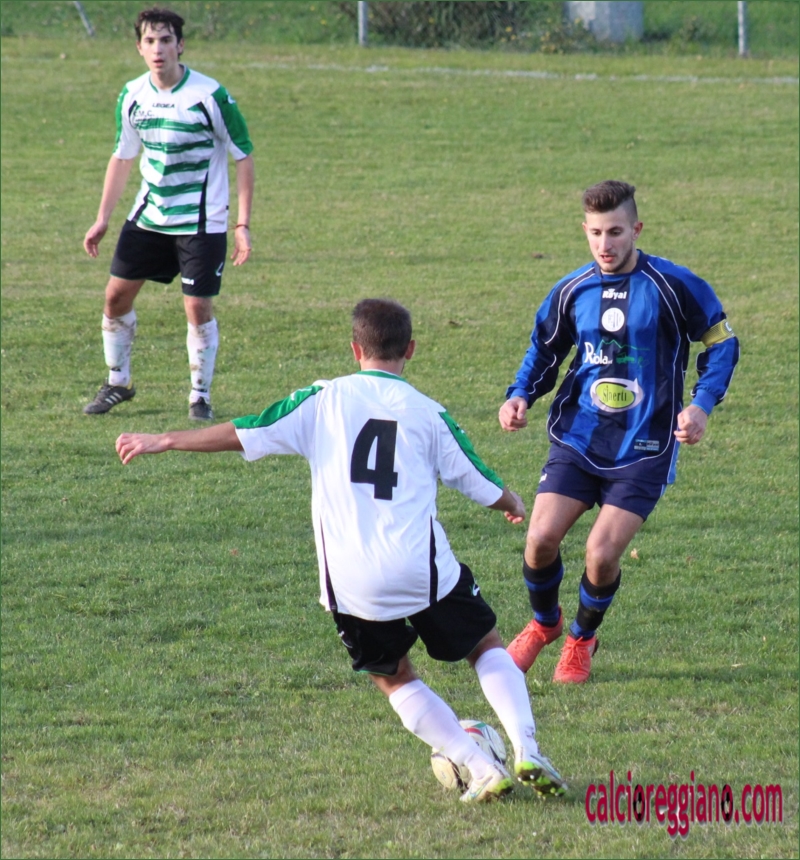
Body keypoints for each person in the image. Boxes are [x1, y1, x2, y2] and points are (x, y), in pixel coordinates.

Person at [116, 298, 567, 804]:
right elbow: (476, 477)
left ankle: (480, 766)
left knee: (393, 675)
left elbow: (244, 431)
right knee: (484, 646)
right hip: (422, 570)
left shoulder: (322, 400)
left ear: (355, 350)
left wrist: (166, 440)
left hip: (352, 583)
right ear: (410, 350)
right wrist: (511, 502)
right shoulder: (428, 412)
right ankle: (527, 748)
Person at [499, 180, 739, 684]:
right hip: (580, 436)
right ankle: (544, 624)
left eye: (614, 232)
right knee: (539, 540)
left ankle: (581, 640)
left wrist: (701, 405)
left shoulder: (674, 285)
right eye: (595, 233)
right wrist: (520, 394)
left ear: (636, 229)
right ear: (584, 231)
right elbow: (545, 349)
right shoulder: (573, 289)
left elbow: (721, 343)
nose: (604, 244)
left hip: (645, 445)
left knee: (602, 553)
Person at [83, 7, 255, 421]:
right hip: (149, 217)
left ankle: (200, 396)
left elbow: (244, 156)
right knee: (115, 297)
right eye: (149, 41)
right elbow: (122, 157)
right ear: (139, 48)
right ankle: (118, 382)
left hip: (201, 221)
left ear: (180, 45)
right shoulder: (132, 96)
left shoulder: (209, 96)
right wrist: (103, 217)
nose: (158, 49)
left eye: (165, 40)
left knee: (197, 308)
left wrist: (242, 225)